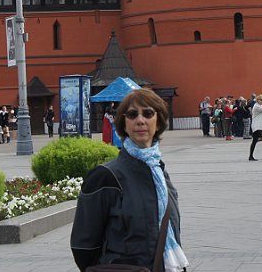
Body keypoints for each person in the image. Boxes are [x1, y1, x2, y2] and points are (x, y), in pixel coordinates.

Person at [71, 89, 188, 271]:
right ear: (124, 124)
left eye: (148, 113)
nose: (140, 120)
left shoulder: (160, 174)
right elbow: (83, 246)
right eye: (132, 115)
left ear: (158, 123)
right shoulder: (106, 177)